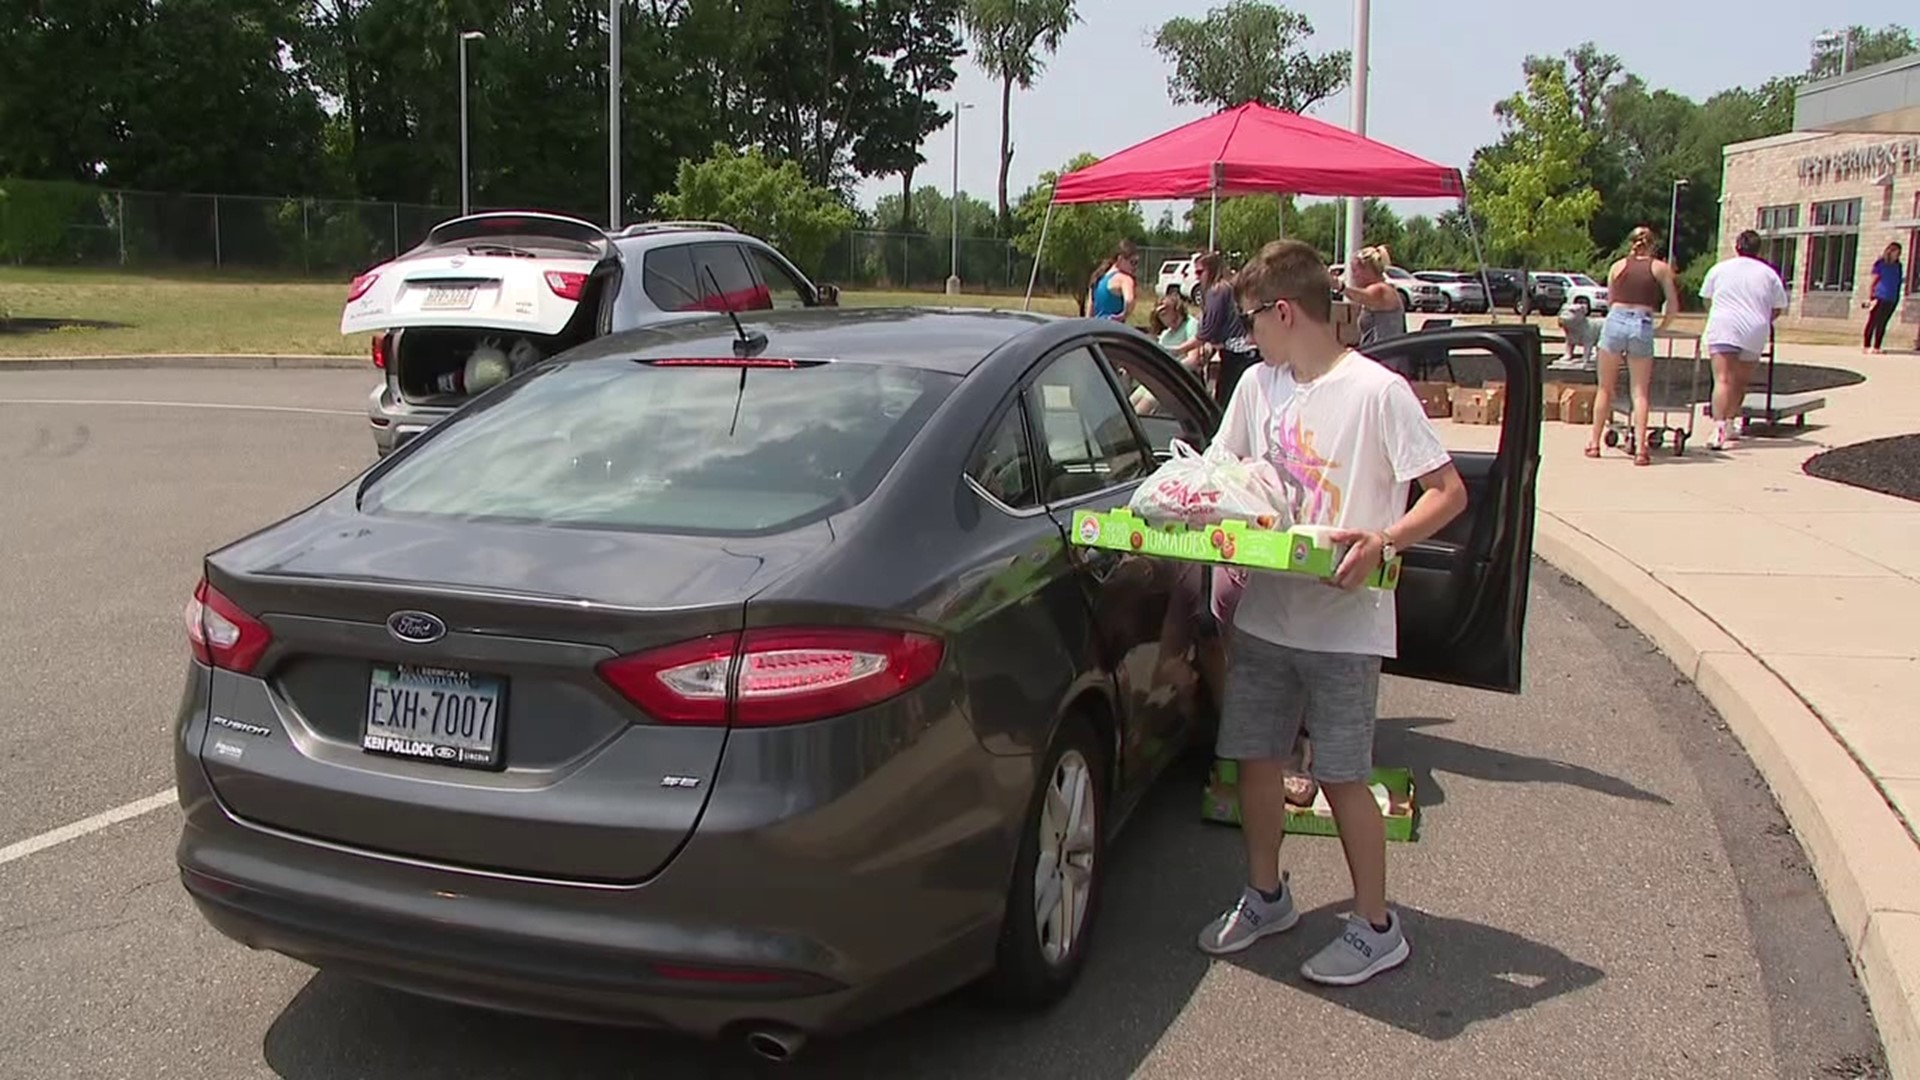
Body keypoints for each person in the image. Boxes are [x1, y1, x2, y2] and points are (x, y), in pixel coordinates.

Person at [1195, 239, 1468, 986]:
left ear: (1284, 311)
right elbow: (1223, 470)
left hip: (1345, 627)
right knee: (1254, 758)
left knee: (1345, 775)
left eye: (1253, 321)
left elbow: (1448, 492)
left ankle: (1376, 926)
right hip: (1266, 613)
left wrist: (1385, 539)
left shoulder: (1378, 392)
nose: (1249, 338)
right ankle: (1265, 895)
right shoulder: (1257, 387)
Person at [1587, 226, 1681, 466]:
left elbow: (1610, 301)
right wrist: (1662, 327)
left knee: (1605, 388)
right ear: (1652, 245)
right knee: (1639, 391)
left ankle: (1594, 443)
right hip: (1642, 321)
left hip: (1615, 320)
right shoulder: (1660, 268)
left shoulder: (1616, 267)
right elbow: (1672, 304)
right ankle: (1641, 448)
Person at [1700, 230, 1790, 451]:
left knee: (1722, 379)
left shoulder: (1720, 269)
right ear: (1759, 249)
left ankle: (1719, 426)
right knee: (1740, 381)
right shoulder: (1769, 274)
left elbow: (1706, 300)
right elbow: (1778, 308)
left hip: (1724, 324)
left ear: (1737, 247)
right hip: (1755, 327)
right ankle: (1730, 422)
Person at [1181, 250, 1263, 407]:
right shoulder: (1225, 288)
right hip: (1243, 352)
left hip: (1238, 354)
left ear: (1211, 271)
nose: (1197, 277)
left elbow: (1207, 331)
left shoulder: (1217, 290)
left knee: (1226, 403)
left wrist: (1178, 349)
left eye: (1200, 272)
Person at [1337, 245, 1410, 353]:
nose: (1353, 276)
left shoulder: (1381, 290)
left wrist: (1339, 286)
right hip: (1379, 355)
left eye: (1355, 271)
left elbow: (1361, 296)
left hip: (1386, 358)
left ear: (1367, 270)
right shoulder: (1385, 289)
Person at [1863, 242, 1904, 354]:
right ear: (1890, 252)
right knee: (1873, 320)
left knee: (1883, 322)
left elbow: (1898, 281)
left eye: (1899, 253)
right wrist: (1870, 297)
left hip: (1892, 298)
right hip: (1879, 296)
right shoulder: (1880, 264)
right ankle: (1866, 346)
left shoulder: (1898, 265)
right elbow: (1873, 281)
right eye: (1896, 252)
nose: (1898, 255)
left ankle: (1877, 346)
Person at [1087, 240, 1139, 322]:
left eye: (1137, 263)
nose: (1135, 267)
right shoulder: (1124, 278)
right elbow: (1129, 301)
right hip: (1113, 331)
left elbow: (1090, 312)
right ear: (1120, 259)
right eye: (1132, 262)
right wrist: (1123, 315)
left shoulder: (1097, 278)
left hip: (1096, 329)